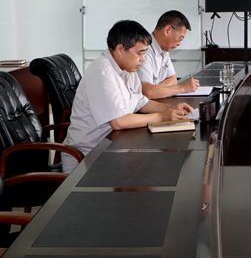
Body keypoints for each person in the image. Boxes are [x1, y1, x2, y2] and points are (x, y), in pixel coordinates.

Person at [62, 20, 193, 173]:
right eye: (140, 53)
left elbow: (140, 101)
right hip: (86, 159)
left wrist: (171, 109)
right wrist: (162, 117)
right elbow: (119, 121)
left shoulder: (127, 69)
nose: (143, 59)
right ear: (120, 49)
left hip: (111, 146)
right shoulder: (103, 72)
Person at [138, 10, 199, 99]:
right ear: (168, 30)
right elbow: (147, 92)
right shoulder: (144, 50)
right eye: (180, 38)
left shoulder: (164, 50)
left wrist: (156, 90)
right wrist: (182, 88)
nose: (179, 43)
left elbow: (173, 80)